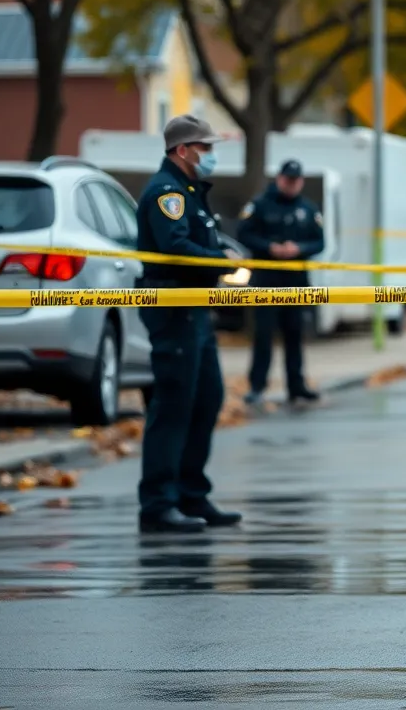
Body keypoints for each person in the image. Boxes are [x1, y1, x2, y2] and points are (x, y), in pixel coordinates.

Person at [134, 114, 243, 534]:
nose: (211, 156)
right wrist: (221, 262)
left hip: (195, 306)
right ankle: (159, 504)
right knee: (175, 405)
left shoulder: (190, 190)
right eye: (206, 148)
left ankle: (192, 494)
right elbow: (176, 247)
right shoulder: (167, 192)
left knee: (207, 398)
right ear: (182, 150)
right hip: (173, 306)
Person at [236, 159, 325, 406]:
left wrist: (299, 248)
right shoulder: (261, 205)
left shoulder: (308, 209)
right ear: (279, 179)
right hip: (267, 281)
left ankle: (296, 386)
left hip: (296, 282)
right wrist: (269, 247)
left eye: (296, 181)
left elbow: (320, 242)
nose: (291, 185)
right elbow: (244, 233)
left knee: (295, 336)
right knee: (263, 335)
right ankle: (256, 386)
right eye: (288, 180)